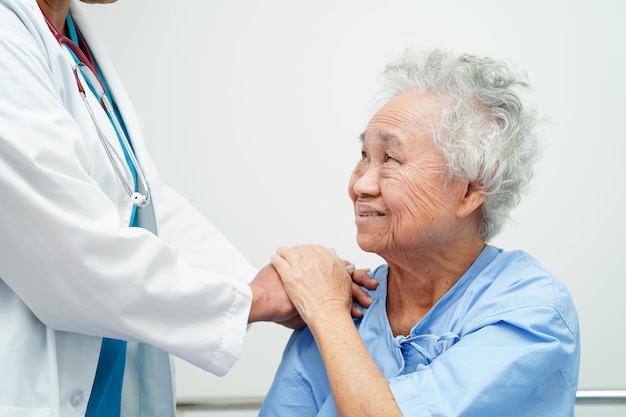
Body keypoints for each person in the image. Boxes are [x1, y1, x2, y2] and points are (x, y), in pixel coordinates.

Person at [0, 1, 377, 416]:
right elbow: (68, 253)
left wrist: (279, 286)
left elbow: (144, 203)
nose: (364, 184)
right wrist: (257, 298)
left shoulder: (72, 37)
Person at [260, 48, 580, 417]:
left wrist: (325, 310)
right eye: (364, 155)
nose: (361, 184)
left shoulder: (532, 312)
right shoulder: (347, 306)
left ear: (470, 190)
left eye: (390, 159)